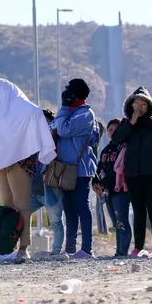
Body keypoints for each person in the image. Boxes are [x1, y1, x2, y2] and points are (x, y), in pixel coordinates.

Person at [0, 78, 57, 263]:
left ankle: (23, 248)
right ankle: (7, 248)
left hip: (21, 163)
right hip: (3, 165)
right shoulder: (3, 113)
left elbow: (38, 134)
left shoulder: (30, 110)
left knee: (23, 205)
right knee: (8, 206)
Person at [112, 87, 152, 258]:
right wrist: (132, 122)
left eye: (143, 103)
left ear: (149, 105)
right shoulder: (126, 123)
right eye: (136, 103)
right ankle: (138, 247)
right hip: (133, 174)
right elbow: (116, 139)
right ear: (130, 105)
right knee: (138, 211)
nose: (139, 106)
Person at [52, 78, 101, 259]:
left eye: (69, 90)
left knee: (81, 206)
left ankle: (87, 249)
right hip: (65, 170)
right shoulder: (71, 112)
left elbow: (63, 129)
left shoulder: (85, 114)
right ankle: (70, 249)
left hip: (80, 170)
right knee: (69, 209)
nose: (65, 93)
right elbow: (53, 127)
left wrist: (64, 108)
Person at [28, 109, 66, 258]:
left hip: (51, 189)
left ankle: (56, 252)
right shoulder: (33, 143)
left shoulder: (57, 141)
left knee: (56, 223)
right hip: (33, 190)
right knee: (20, 216)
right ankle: (21, 250)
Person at [94, 118, 133, 257]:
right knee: (116, 223)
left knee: (122, 220)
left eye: (116, 130)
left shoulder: (123, 147)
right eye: (110, 130)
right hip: (107, 190)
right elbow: (99, 168)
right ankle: (119, 250)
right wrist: (96, 181)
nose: (112, 132)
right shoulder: (106, 149)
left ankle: (124, 250)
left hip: (121, 189)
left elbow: (118, 169)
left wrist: (105, 181)